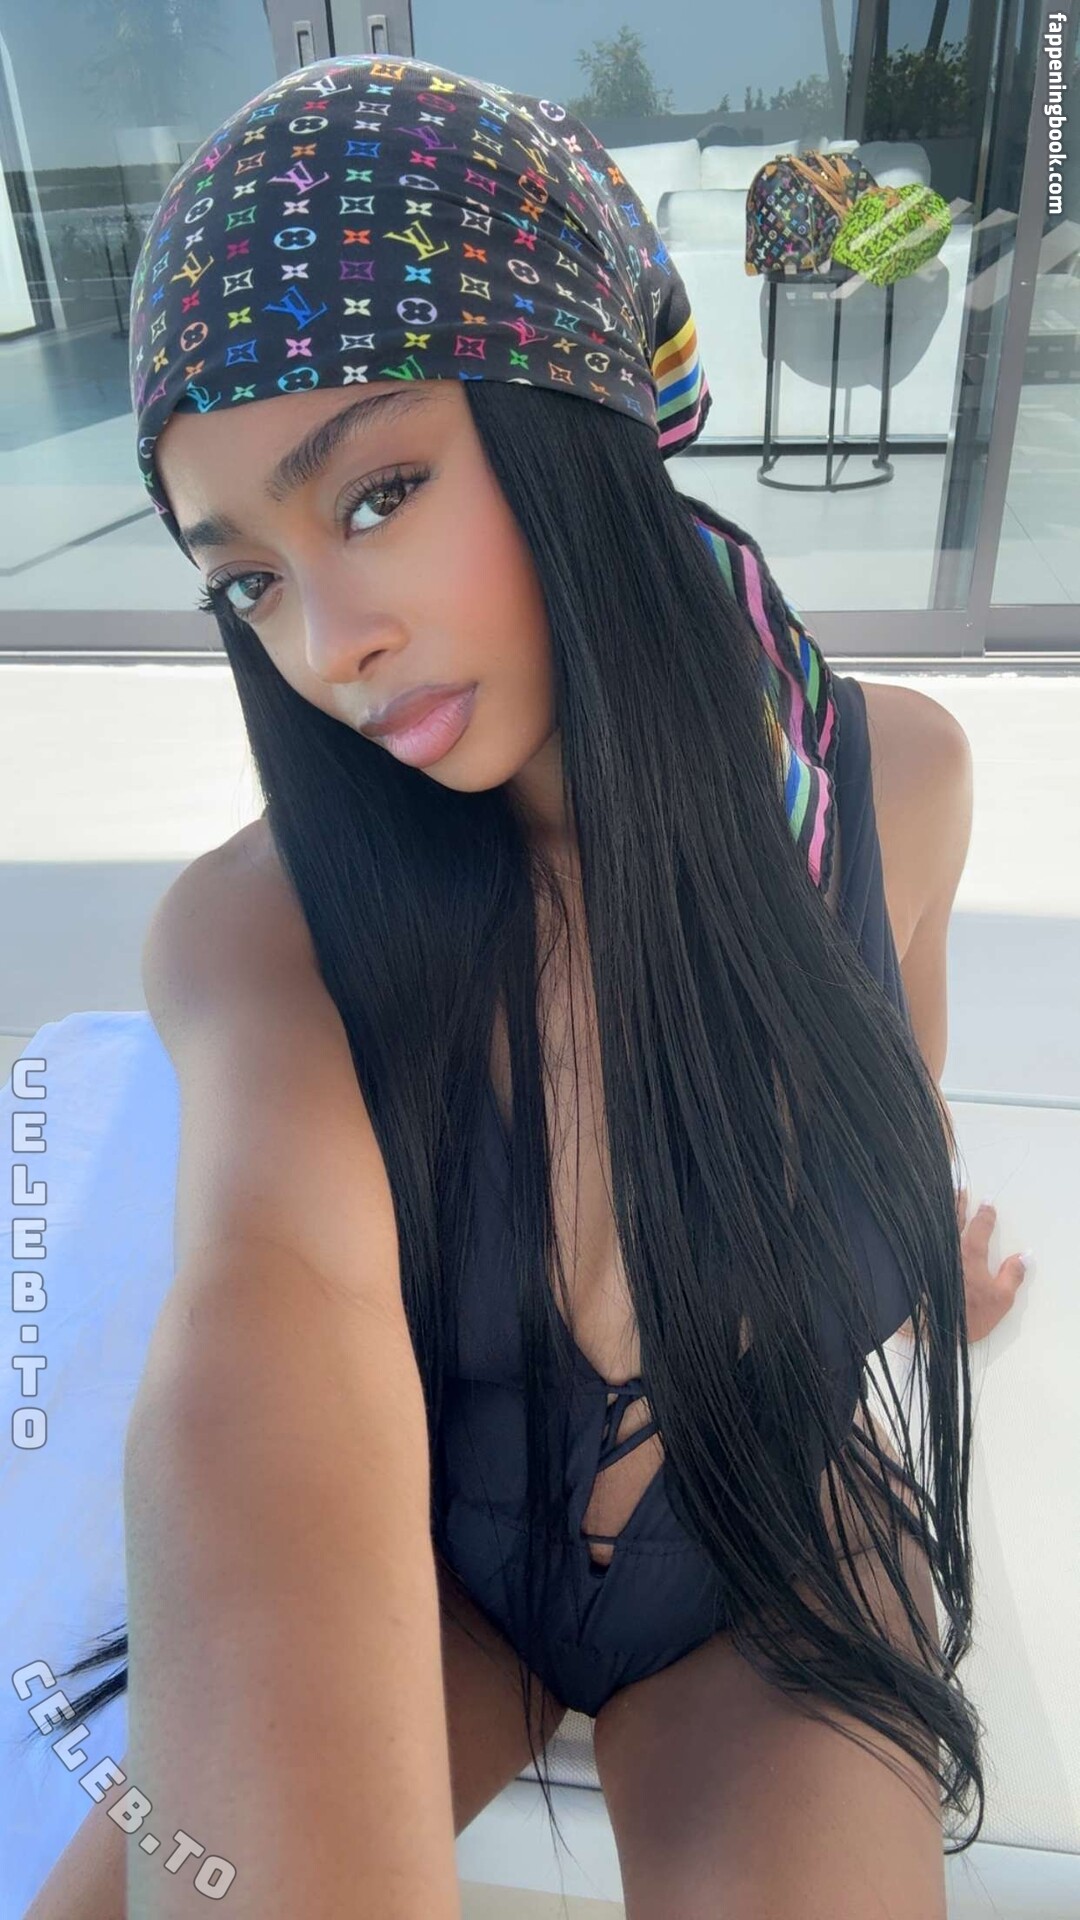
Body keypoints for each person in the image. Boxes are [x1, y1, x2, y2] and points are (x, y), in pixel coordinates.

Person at [23, 52, 1025, 1920]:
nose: (329, 645)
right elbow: (262, 1343)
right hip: (434, 1557)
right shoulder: (264, 937)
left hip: (771, 1539)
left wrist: (920, 1243)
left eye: (377, 493)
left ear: (578, 415)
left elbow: (891, 1091)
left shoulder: (896, 789)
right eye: (246, 581)